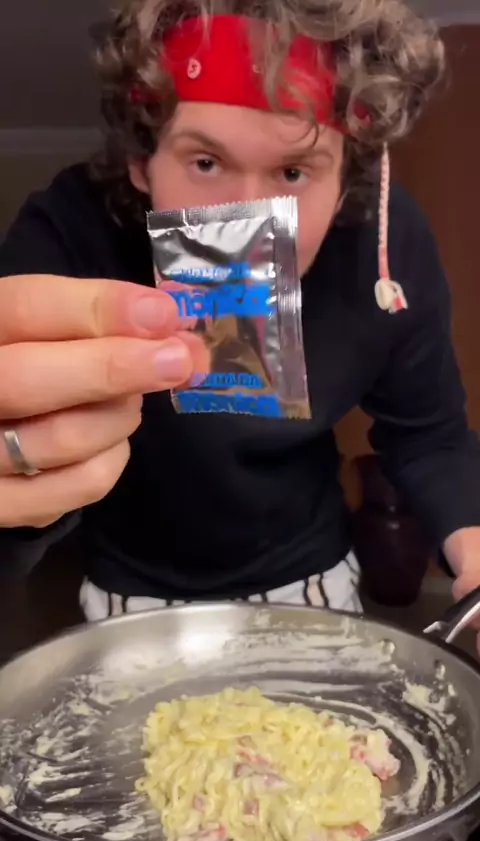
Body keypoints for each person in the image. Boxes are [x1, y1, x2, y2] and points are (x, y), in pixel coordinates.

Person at [1, 0, 480, 633]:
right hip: (130, 591)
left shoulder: (386, 246)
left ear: (345, 181)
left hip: (315, 576)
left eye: (293, 171)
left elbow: (430, 434)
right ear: (142, 163)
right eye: (205, 162)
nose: (245, 218)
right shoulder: (68, 233)